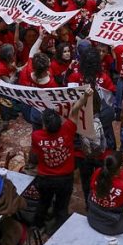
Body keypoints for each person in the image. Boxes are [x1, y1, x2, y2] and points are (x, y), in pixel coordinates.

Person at [29, 91, 87, 231]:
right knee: (62, 206)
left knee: (43, 202)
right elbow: (75, 111)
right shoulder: (68, 130)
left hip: (45, 178)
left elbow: (34, 156)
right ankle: (58, 230)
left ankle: (37, 226)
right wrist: (85, 96)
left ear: (45, 126)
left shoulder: (37, 136)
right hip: (65, 178)